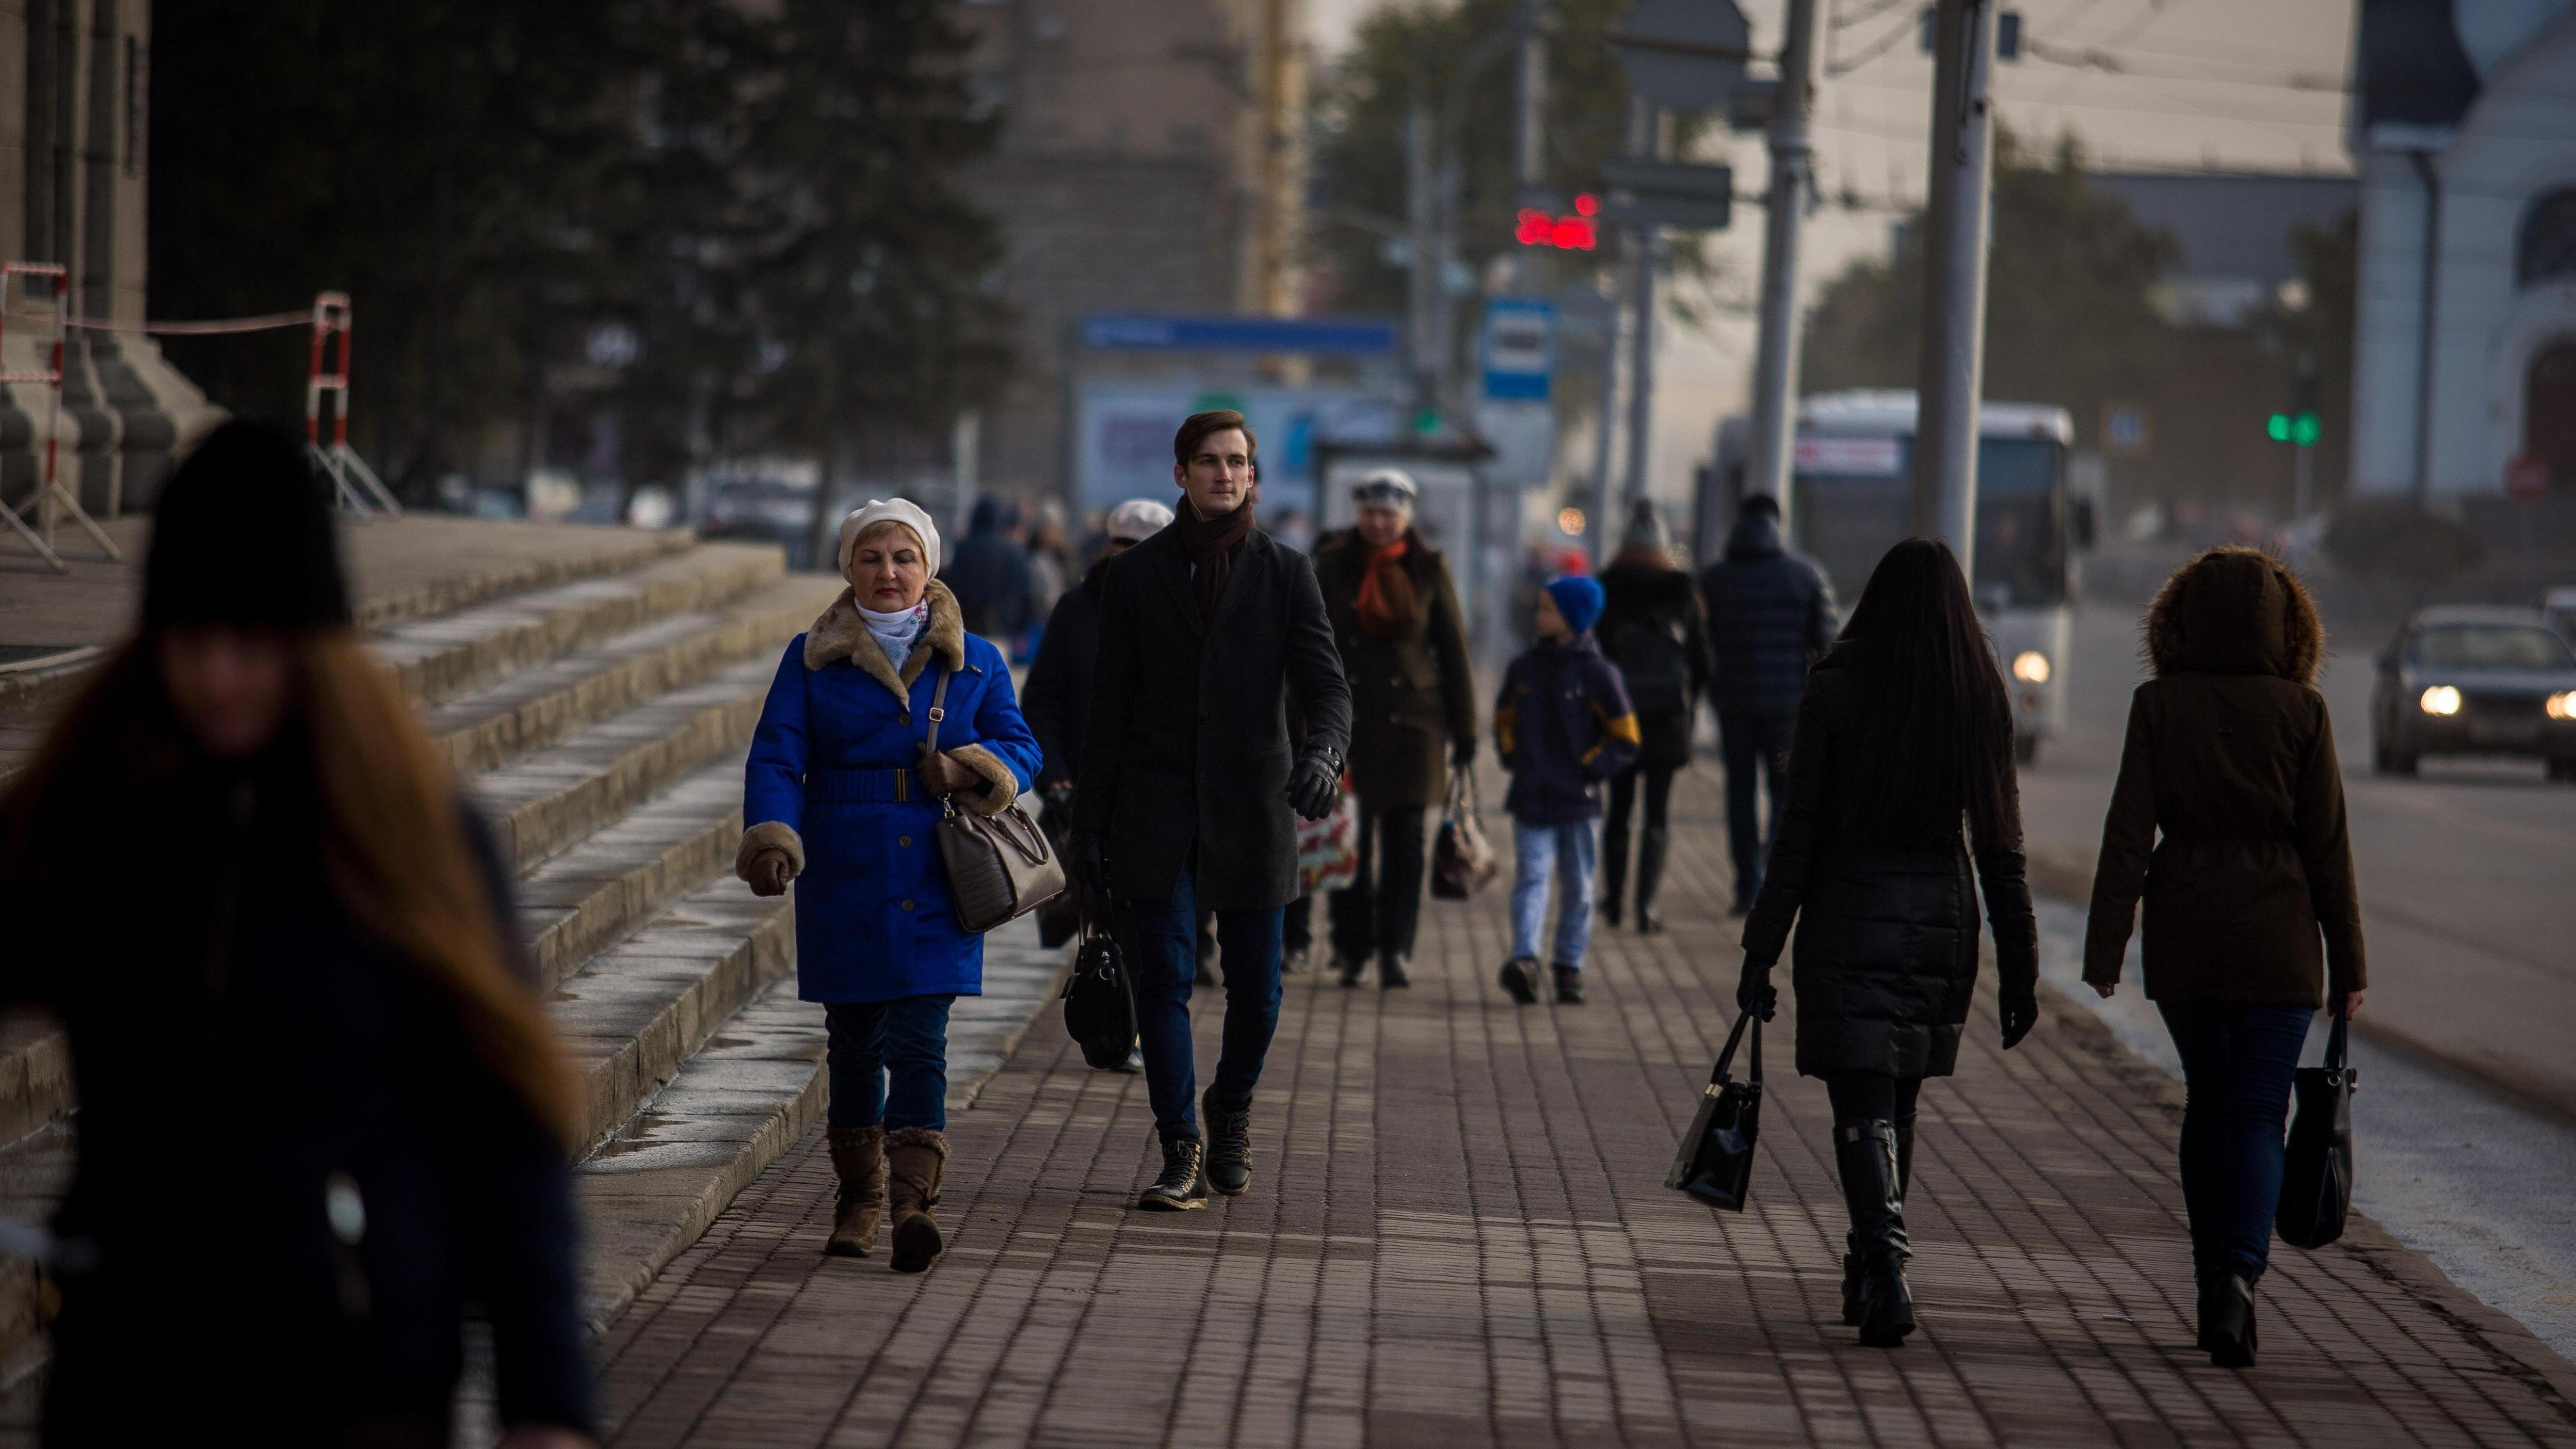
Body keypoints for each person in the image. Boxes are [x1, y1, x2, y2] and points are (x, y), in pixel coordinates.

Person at [0, 421, 595, 1446]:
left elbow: (509, 1130)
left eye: (256, 642)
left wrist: (548, 1404)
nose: (222, 678)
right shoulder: (99, 807)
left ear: (315, 644)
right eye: (193, 641)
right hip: (126, 1372)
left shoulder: (417, 836)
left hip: (356, 1383)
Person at [1735, 538, 2040, 1350]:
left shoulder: (1835, 688)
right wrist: (2021, 969)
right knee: (1898, 1100)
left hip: (1847, 915)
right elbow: (2002, 848)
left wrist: (1760, 948)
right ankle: (1870, 1269)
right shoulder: (1977, 694)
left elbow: (1795, 840)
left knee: (1862, 1102)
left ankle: (1888, 1268)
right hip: (1942, 922)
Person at [738, 498, 1043, 1274]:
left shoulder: (974, 658)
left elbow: (1021, 746)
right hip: (846, 865)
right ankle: (858, 1199)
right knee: (853, 1043)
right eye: (872, 558)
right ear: (850, 569)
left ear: (928, 567)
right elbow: (777, 756)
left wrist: (973, 768)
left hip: (938, 872)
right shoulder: (811, 657)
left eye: (904, 557)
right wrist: (774, 836)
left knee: (920, 1040)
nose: (889, 572)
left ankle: (912, 1204)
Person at [2082, 546, 2365, 1369]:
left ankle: (2213, 1279)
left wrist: (2107, 947)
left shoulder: (2157, 705)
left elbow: (2128, 833)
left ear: (2180, 621)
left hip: (2187, 935)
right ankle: (2240, 1280)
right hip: (2280, 939)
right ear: (2288, 629)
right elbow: (2329, 851)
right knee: (2257, 1111)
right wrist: (2349, 966)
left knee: (2210, 1104)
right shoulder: (2303, 714)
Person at [1075, 409, 1351, 1211]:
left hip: (1256, 806)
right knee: (1164, 979)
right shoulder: (1134, 578)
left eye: (1236, 462)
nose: (1223, 475)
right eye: (1207, 462)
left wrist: (1323, 754)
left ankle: (1229, 1107)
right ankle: (1181, 1146)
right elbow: (1109, 708)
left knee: (1258, 992)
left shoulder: (1287, 573)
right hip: (1156, 808)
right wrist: (1088, 827)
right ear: (1180, 475)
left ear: (1252, 477)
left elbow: (1328, 687)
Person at [1310, 469, 1478, 989]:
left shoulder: (1429, 569)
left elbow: (1453, 650)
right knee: (1349, 844)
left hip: (1414, 727)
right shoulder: (1332, 566)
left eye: (1390, 514)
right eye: (1371, 513)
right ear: (1358, 515)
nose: (1380, 523)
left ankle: (1396, 951)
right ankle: (1352, 948)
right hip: (1348, 724)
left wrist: (1466, 730)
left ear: (1406, 518)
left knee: (1406, 845)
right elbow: (1308, 642)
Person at [1493, 575, 1640, 1008]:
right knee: (1532, 878)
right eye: (1539, 607)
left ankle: (1569, 966)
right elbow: (1504, 719)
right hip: (1533, 796)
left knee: (1579, 887)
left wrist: (1591, 770)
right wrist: (1514, 758)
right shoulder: (1524, 668)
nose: (1538, 616)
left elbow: (1625, 736)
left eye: (1548, 610)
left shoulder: (1599, 674)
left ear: (1574, 619)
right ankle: (1525, 960)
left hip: (1579, 801)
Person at [1699, 493, 1839, 914]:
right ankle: (1774, 882)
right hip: (1786, 708)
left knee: (1739, 793)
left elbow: (1701, 644)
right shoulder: (1805, 575)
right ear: (1778, 524)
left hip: (1733, 704)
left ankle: (1745, 885)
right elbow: (1826, 643)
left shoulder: (1715, 579)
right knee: (1783, 793)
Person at [1596, 499, 1712, 934]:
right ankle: (1646, 907)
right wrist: (1690, 706)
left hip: (1619, 717)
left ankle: (1612, 902)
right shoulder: (1683, 593)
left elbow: (1596, 657)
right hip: (1667, 717)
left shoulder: (1607, 589)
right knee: (1658, 816)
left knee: (1619, 811)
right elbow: (1703, 662)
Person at [939, 495, 1038, 642]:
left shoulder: (963, 549)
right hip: (1002, 630)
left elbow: (953, 587)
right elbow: (1025, 594)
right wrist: (1020, 628)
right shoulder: (1013, 552)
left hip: (966, 631)